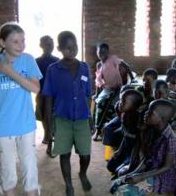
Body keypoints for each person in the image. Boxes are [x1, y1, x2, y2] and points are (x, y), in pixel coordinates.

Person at [0, 22, 41, 196]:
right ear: (3, 42)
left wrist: (10, 72)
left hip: (26, 124)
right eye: (15, 41)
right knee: (8, 170)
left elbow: (35, 88)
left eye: (23, 40)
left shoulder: (28, 60)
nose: (21, 45)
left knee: (30, 168)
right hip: (2, 127)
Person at [42, 31, 92, 196]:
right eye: (67, 48)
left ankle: (82, 173)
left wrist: (90, 117)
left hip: (82, 118)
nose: (72, 50)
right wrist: (48, 128)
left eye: (75, 46)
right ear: (59, 49)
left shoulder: (84, 68)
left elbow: (88, 95)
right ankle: (69, 184)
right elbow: (48, 99)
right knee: (65, 153)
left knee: (85, 153)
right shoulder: (53, 70)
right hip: (62, 119)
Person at [113, 99, 176, 196]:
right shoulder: (154, 132)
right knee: (116, 184)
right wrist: (133, 173)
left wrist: (141, 176)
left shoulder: (171, 139)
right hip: (150, 172)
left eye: (151, 112)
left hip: (162, 179)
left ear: (162, 118)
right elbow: (147, 160)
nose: (146, 113)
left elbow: (166, 167)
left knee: (121, 192)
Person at [93, 42, 135, 140]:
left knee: (113, 107)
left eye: (104, 52)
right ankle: (97, 130)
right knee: (99, 105)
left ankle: (109, 129)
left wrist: (132, 78)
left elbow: (126, 65)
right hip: (107, 89)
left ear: (108, 52)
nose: (102, 54)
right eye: (100, 52)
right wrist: (96, 94)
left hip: (118, 89)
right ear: (97, 52)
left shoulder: (113, 60)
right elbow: (98, 82)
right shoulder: (99, 65)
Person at [107, 89, 144, 175]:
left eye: (124, 101)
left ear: (134, 106)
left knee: (120, 171)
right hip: (126, 148)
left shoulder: (135, 119)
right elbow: (125, 136)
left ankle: (128, 165)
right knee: (110, 166)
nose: (120, 103)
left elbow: (138, 143)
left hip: (135, 152)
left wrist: (131, 160)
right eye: (120, 99)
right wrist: (119, 150)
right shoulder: (125, 115)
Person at [35, 35, 59, 146]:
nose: (50, 46)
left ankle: (52, 134)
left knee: (54, 115)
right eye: (47, 44)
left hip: (55, 93)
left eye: (51, 44)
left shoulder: (57, 61)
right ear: (41, 46)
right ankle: (47, 133)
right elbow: (34, 79)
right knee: (44, 113)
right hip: (42, 92)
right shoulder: (37, 61)